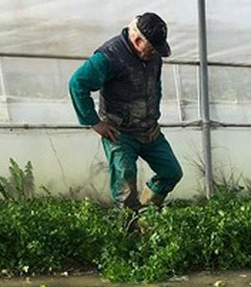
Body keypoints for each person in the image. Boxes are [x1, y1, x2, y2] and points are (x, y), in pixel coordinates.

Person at [69, 12, 183, 232]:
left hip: (149, 130)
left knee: (172, 172)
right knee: (125, 183)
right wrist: (94, 122)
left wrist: (153, 117)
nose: (155, 53)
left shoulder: (153, 57)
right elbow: (78, 84)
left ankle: (146, 218)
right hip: (119, 133)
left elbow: (155, 87)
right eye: (152, 48)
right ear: (138, 40)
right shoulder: (109, 57)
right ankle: (128, 235)